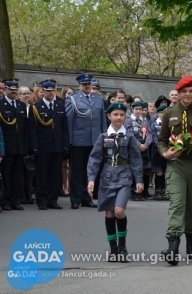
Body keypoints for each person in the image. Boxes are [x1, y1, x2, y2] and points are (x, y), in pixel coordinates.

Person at [157, 76, 192, 265]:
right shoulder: (169, 113)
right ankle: (173, 247)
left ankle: (191, 246)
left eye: (191, 91)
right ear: (178, 93)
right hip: (177, 164)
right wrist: (166, 154)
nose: (187, 94)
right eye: (183, 91)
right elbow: (162, 140)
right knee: (177, 203)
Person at [87, 102, 144, 262]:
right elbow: (95, 158)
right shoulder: (103, 136)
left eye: (121, 115)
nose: (118, 117)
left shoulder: (130, 137)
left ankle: (122, 246)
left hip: (124, 176)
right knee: (109, 213)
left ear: (125, 117)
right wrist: (91, 179)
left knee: (119, 211)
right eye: (115, 114)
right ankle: (113, 249)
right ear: (109, 116)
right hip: (107, 177)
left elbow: (136, 159)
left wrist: (139, 179)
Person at [65, 73, 107, 209]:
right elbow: (69, 121)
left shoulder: (98, 99)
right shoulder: (73, 99)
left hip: (94, 140)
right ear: (79, 86)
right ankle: (75, 199)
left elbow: (102, 121)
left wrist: (104, 138)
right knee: (77, 171)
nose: (87, 86)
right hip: (78, 140)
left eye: (89, 84)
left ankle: (86, 198)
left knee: (90, 171)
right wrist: (69, 141)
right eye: (84, 84)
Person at [28, 79, 70, 210]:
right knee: (42, 175)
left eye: (53, 91)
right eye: (48, 91)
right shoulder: (36, 107)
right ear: (43, 91)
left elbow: (64, 127)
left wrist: (66, 144)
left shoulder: (60, 105)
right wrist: (34, 146)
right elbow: (32, 129)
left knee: (55, 175)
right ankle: (42, 200)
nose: (51, 93)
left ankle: (53, 200)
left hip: (57, 146)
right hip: (43, 146)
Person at [0, 78, 28, 211]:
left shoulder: (21, 105)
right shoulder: (1, 104)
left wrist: (26, 146)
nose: (13, 91)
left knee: (17, 175)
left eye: (15, 89)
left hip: (19, 146)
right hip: (8, 145)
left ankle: (15, 201)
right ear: (5, 89)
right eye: (10, 89)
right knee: (6, 175)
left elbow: (25, 128)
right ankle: (6, 201)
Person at [125, 101, 152, 201]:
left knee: (144, 170)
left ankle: (141, 192)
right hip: (134, 149)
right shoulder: (128, 121)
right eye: (136, 109)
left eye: (140, 109)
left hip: (144, 149)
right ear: (132, 109)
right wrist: (138, 145)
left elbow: (149, 135)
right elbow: (129, 134)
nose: (138, 111)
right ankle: (134, 192)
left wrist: (146, 144)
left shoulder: (145, 122)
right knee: (134, 170)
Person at [17, 86, 34, 205]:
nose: (26, 95)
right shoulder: (17, 107)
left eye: (28, 93)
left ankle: (29, 194)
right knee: (21, 170)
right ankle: (21, 194)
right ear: (19, 96)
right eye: (23, 94)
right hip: (20, 141)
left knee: (30, 170)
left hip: (31, 141)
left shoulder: (33, 108)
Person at [150, 105, 168, 200]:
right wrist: (161, 147)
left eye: (164, 113)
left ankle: (163, 191)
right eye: (161, 112)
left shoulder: (168, 124)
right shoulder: (154, 124)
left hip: (166, 151)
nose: (163, 114)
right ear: (158, 114)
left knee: (164, 172)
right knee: (159, 172)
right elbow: (153, 138)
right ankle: (157, 191)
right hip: (157, 151)